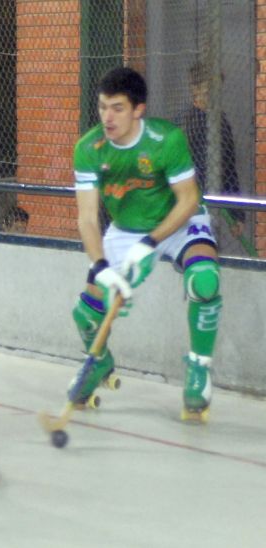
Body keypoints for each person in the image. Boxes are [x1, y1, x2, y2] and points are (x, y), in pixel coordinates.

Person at [68, 66, 222, 422]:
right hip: (125, 229)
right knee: (86, 314)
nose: (108, 117)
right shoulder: (89, 148)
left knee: (205, 281)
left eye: (118, 108)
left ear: (138, 109)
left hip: (179, 220)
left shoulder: (166, 140)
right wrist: (102, 268)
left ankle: (199, 369)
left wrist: (150, 243)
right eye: (103, 106)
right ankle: (99, 361)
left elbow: (187, 199)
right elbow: (88, 218)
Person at [178, 61, 248, 253]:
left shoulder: (221, 121)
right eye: (209, 88)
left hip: (213, 203)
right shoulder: (188, 122)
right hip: (191, 202)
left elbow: (229, 168)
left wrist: (237, 214)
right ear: (197, 89)